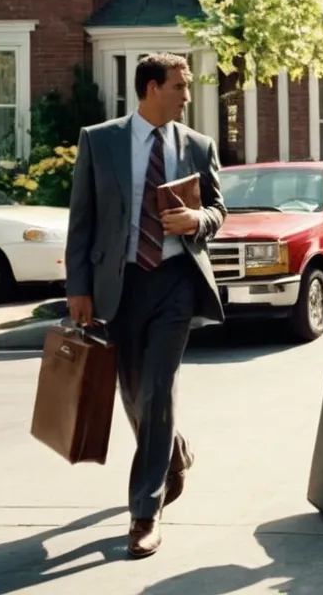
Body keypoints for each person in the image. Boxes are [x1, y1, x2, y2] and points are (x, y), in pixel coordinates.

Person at [64, 53, 227, 558]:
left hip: (176, 281)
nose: (186, 94)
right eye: (179, 86)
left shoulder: (198, 146)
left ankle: (144, 512)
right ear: (151, 88)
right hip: (121, 284)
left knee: (157, 388)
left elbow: (220, 209)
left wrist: (196, 221)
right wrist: (79, 288)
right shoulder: (101, 140)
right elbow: (82, 219)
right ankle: (173, 453)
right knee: (134, 393)